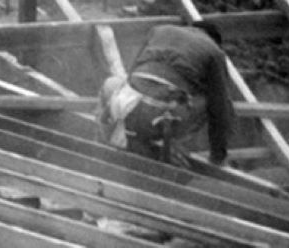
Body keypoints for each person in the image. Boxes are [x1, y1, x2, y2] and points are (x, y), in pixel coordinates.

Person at [97, 21, 234, 167]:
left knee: (112, 83)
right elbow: (221, 109)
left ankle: (101, 141)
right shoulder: (214, 51)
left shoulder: (159, 30)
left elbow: (132, 73)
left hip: (126, 107)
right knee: (210, 99)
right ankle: (175, 143)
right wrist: (218, 158)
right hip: (160, 119)